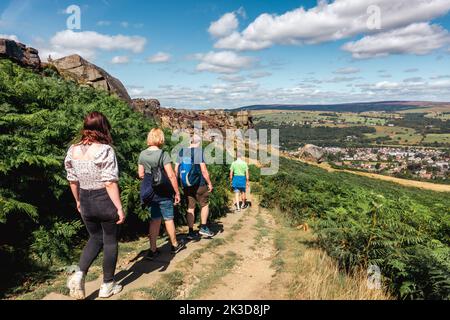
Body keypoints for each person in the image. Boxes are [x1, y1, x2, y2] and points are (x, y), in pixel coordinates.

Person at [65, 112, 125, 300]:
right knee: (109, 240)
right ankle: (107, 285)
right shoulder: (105, 150)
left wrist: (78, 200)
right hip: (103, 199)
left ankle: (79, 274)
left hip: (85, 199)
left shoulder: (72, 150)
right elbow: (109, 182)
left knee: (94, 237)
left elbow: (72, 180)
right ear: (103, 127)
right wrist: (119, 207)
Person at [138, 128, 186, 260]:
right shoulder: (163, 154)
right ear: (160, 139)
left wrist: (151, 177)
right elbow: (171, 175)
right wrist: (176, 192)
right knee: (168, 218)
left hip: (150, 192)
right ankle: (174, 245)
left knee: (155, 220)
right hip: (163, 192)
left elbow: (140, 174)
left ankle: (152, 250)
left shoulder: (142, 154)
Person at [175, 134, 214, 239]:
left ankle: (191, 232)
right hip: (199, 184)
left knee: (190, 207)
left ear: (190, 142)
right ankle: (204, 228)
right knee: (204, 205)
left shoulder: (181, 151)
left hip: (186, 185)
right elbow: (204, 170)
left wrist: (176, 184)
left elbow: (176, 169)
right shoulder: (198, 152)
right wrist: (209, 183)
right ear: (198, 142)